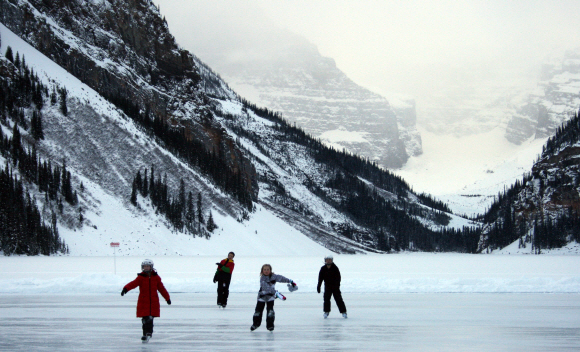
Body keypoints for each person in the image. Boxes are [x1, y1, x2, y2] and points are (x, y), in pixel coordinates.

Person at [121, 259, 171, 343]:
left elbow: (162, 289)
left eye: (148, 266)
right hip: (143, 302)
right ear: (142, 268)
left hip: (153, 303)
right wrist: (125, 289)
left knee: (150, 319)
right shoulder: (141, 277)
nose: (146, 268)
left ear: (151, 267)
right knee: (144, 320)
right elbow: (133, 284)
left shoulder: (156, 278)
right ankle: (145, 334)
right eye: (145, 266)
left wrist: (167, 298)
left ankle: (148, 333)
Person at [250, 264, 297, 332]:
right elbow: (266, 288)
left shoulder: (273, 276)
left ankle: (270, 326)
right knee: (258, 311)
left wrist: (290, 281)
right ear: (262, 271)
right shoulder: (262, 278)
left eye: (268, 269)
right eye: (264, 270)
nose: (266, 271)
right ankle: (256, 324)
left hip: (270, 297)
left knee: (270, 312)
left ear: (270, 270)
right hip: (262, 297)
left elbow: (281, 278)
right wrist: (276, 293)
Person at [317, 254, 347, 319]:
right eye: (327, 260)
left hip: (335, 287)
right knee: (326, 299)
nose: (328, 261)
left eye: (329, 260)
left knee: (338, 299)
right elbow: (320, 278)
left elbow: (338, 278)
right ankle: (326, 312)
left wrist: (337, 286)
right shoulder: (323, 268)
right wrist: (319, 286)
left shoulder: (335, 268)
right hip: (327, 287)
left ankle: (343, 312)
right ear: (325, 261)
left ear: (332, 260)